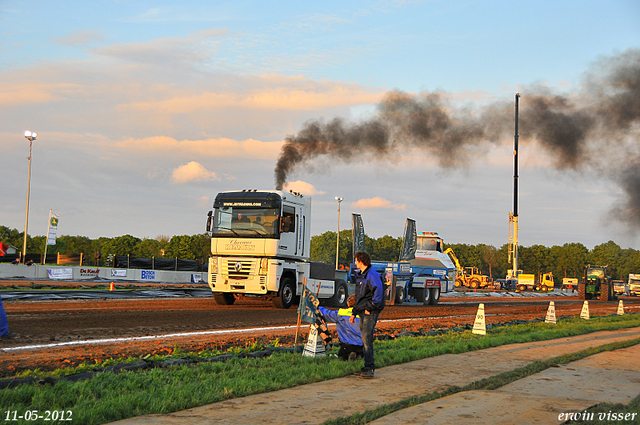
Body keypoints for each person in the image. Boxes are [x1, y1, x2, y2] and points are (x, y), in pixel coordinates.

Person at [350, 251, 385, 379]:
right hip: (363, 311)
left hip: (369, 312)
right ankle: (367, 366)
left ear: (361, 261)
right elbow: (360, 297)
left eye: (356, 260)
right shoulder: (362, 275)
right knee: (364, 339)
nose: (355, 263)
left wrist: (369, 308)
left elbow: (378, 294)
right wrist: (354, 313)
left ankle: (369, 368)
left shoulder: (372, 275)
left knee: (366, 339)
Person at [318, 295, 363, 361]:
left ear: (348, 303)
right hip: (361, 345)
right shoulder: (364, 314)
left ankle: (349, 355)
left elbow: (325, 313)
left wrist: (316, 306)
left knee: (342, 357)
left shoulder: (341, 313)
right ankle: (359, 355)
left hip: (347, 345)